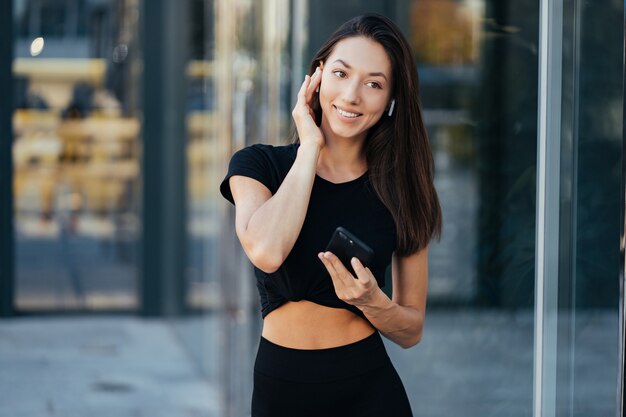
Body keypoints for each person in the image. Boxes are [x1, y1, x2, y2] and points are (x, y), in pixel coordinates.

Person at [220, 13, 442, 417]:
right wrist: (309, 148)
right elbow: (266, 250)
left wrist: (374, 302)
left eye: (374, 83)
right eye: (341, 73)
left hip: (369, 389)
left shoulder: (403, 187)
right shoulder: (258, 165)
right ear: (317, 77)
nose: (353, 95)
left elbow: (411, 330)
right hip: (281, 388)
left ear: (392, 99)